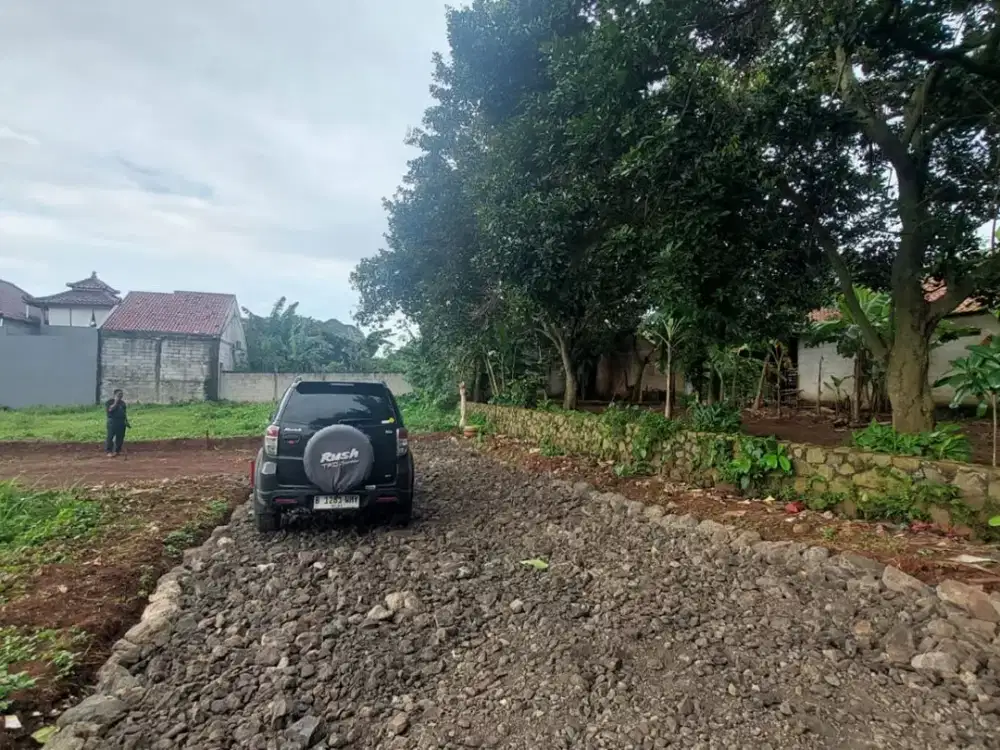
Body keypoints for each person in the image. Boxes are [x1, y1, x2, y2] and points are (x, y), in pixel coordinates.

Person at [105, 389, 131, 457]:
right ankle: (109, 451)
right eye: (119, 394)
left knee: (120, 437)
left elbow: (124, 413)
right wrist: (116, 402)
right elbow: (110, 410)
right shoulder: (109, 402)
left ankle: (117, 451)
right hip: (112, 421)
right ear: (115, 394)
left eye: (121, 394)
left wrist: (126, 421)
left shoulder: (123, 403)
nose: (121, 396)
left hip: (121, 422)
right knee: (110, 436)